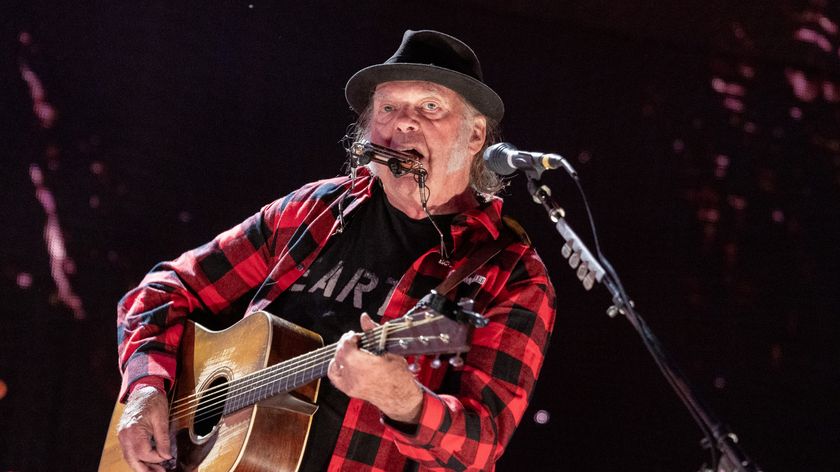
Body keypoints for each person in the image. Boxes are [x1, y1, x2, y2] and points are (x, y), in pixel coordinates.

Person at [115, 29, 556, 471]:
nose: (404, 122)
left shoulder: (510, 271)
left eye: (430, 107)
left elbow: (480, 446)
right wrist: (146, 388)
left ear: (476, 135)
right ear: (369, 131)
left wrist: (403, 400)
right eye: (388, 108)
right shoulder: (314, 210)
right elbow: (161, 291)